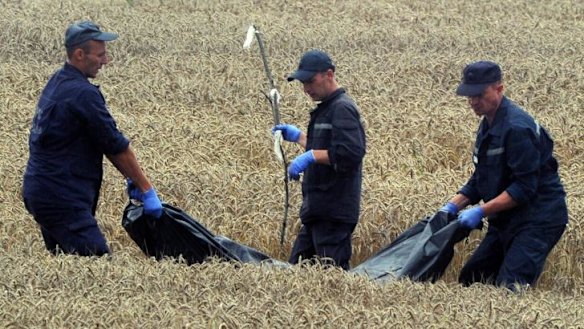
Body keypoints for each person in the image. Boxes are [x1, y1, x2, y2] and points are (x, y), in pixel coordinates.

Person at [22, 21, 163, 257]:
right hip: (62, 197)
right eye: (100, 55)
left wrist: (131, 177)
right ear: (79, 54)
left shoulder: (58, 82)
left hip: (42, 190)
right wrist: (146, 189)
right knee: (96, 264)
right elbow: (116, 146)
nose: (105, 61)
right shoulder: (83, 94)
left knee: (68, 267)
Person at [439, 60, 568, 290]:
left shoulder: (517, 128)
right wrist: (451, 207)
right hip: (506, 218)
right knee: (473, 278)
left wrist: (480, 211)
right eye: (469, 95)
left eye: (479, 94)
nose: (472, 101)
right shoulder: (488, 124)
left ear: (499, 89)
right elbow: (482, 177)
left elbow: (524, 188)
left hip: (538, 219)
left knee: (511, 285)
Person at [272, 49, 366, 270]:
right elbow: (329, 148)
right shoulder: (326, 109)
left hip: (334, 213)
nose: (306, 89)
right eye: (303, 83)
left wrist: (311, 156)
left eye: (310, 81)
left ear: (329, 75)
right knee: (297, 276)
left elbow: (350, 153)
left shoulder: (342, 108)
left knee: (330, 279)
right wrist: (299, 138)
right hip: (318, 212)